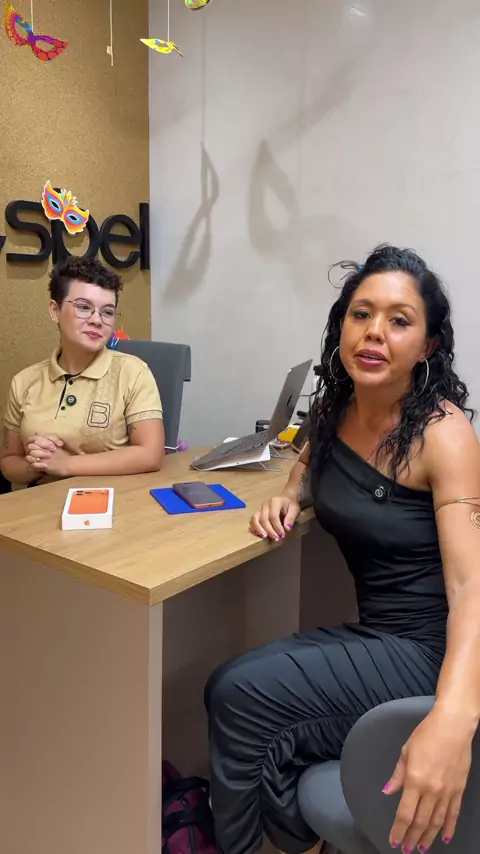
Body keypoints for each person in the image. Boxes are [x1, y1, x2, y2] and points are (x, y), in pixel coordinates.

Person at [205, 245, 480, 854]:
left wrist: (455, 717)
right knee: (231, 687)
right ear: (342, 326)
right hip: (378, 633)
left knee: (236, 694)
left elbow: (472, 588)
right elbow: (307, 464)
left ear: (428, 345)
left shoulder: (444, 435)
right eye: (361, 313)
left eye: (400, 320)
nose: (374, 332)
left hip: (431, 651)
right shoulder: (337, 409)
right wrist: (287, 495)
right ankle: (295, 837)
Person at [0, 257, 165, 486]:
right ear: (55, 311)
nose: (97, 320)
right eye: (84, 307)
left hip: (115, 499)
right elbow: (9, 461)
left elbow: (150, 454)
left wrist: (66, 464)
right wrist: (38, 463)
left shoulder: (133, 372)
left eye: (107, 312)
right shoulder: (24, 381)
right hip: (43, 501)